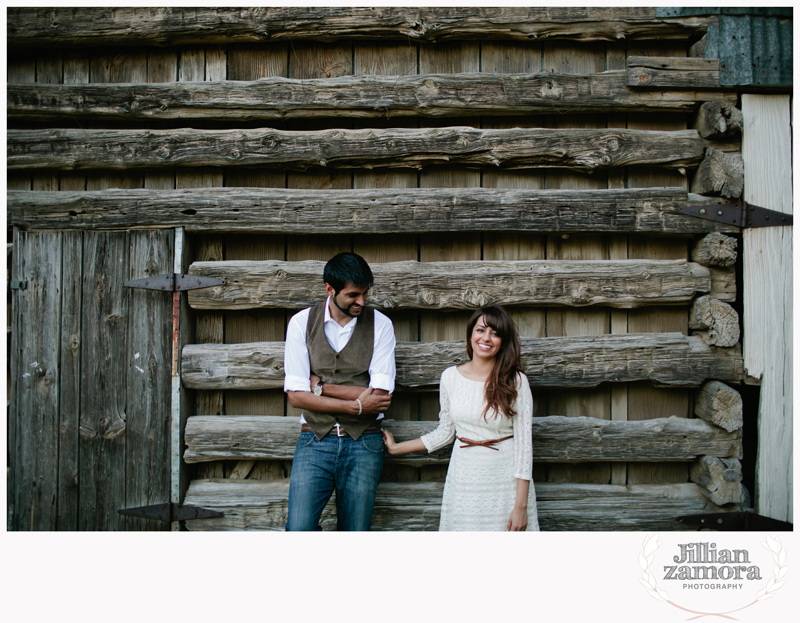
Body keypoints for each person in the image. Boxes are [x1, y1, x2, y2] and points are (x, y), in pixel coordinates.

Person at [382, 305, 539, 531]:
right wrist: (398, 448)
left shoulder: (515, 381)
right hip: (464, 478)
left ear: (503, 341)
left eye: (495, 333)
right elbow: (445, 432)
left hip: (504, 483)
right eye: (481, 330)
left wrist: (521, 506)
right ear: (470, 334)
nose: (486, 338)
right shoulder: (450, 378)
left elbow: (525, 448)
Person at [284, 252, 396, 531]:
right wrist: (356, 405)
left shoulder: (381, 324)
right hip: (314, 440)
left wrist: (320, 389)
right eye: (353, 295)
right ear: (329, 289)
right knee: (299, 529)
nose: (362, 301)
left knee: (355, 533)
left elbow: (380, 398)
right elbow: (296, 396)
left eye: (365, 294)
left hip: (364, 444)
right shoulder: (301, 323)